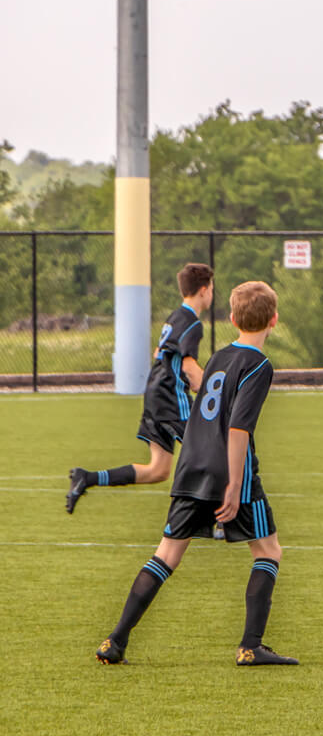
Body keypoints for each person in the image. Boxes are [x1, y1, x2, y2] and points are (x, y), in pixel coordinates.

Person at [94, 281, 298, 666]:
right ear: (274, 320)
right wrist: (235, 485)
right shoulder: (260, 365)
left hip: (191, 462)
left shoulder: (219, 356)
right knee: (268, 550)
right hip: (229, 468)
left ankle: (115, 640)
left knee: (167, 554)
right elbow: (238, 428)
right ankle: (251, 646)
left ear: (233, 318)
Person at [67, 264, 220, 540]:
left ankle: (87, 477)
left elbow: (160, 352)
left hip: (154, 395)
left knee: (158, 469)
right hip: (171, 398)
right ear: (204, 290)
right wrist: (212, 394)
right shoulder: (193, 323)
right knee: (212, 452)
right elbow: (188, 365)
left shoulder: (174, 318)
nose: (212, 294)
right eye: (212, 289)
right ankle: (208, 522)